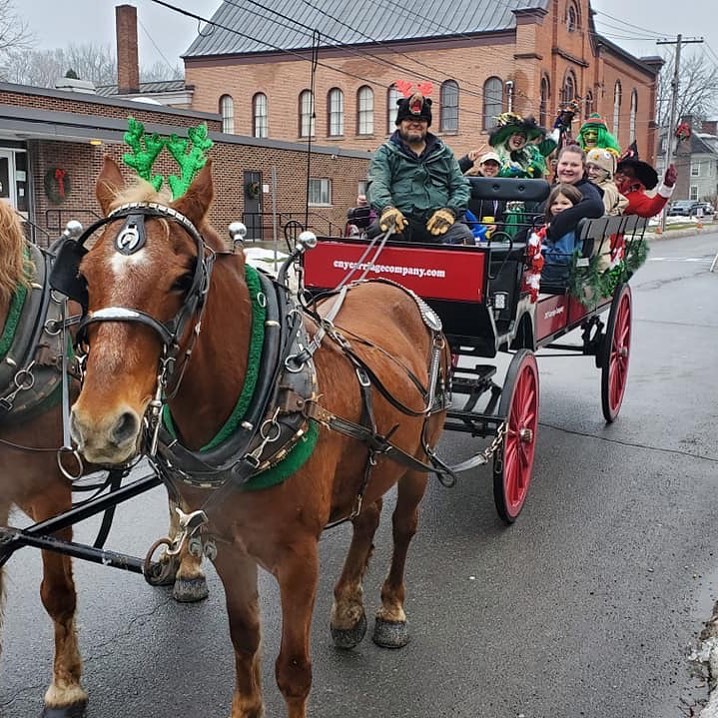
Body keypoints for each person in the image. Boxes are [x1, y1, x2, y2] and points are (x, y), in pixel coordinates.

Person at [366, 91, 472, 245]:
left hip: (438, 223)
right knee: (379, 232)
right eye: (409, 119)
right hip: (401, 222)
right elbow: (377, 183)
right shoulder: (386, 153)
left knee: (464, 237)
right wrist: (386, 208)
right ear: (399, 123)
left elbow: (461, 186)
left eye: (421, 120)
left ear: (427, 125)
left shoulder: (444, 153)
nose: (416, 123)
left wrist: (450, 211)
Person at [540, 183, 585, 285]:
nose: (558, 207)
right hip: (556, 271)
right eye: (554, 203)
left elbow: (562, 257)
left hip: (556, 274)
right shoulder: (556, 225)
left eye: (565, 203)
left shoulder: (565, 228)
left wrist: (542, 250)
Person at [488, 112, 552, 179]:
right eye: (516, 134)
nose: (519, 138)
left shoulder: (529, 158)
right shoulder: (495, 158)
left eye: (523, 136)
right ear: (508, 137)